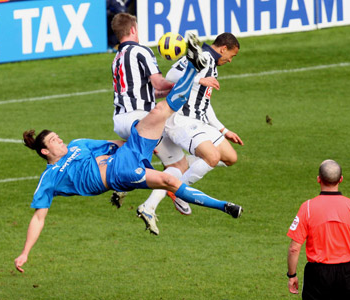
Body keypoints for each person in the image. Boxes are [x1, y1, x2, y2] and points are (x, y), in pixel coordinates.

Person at [14, 37, 243, 273]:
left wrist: (145, 140)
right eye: (54, 141)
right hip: (119, 173)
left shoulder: (77, 145)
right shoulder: (49, 178)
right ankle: (224, 206)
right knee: (170, 180)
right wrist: (25, 253)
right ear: (45, 151)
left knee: (160, 110)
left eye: (58, 136)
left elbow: (111, 142)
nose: (60, 140)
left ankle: (192, 70)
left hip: (128, 151)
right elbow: (38, 218)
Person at [137, 33, 244, 233]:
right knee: (211, 157)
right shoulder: (201, 56)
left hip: (199, 121)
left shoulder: (211, 64)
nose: (230, 60)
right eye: (231, 55)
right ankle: (178, 190)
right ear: (223, 48)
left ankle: (179, 170)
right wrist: (199, 79)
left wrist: (223, 129)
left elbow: (204, 102)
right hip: (181, 120)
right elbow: (171, 76)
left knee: (230, 157)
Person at [109, 12, 193, 222]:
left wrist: (169, 91)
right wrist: (185, 83)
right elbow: (159, 84)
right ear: (133, 30)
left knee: (142, 158)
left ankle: (123, 183)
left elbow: (149, 92)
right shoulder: (140, 51)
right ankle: (150, 205)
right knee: (179, 166)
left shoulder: (117, 58)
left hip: (121, 120)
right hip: (141, 120)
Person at [286, 159, 350, 300]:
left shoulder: (307, 208)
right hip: (347, 273)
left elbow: (294, 248)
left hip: (317, 274)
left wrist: (292, 275)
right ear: (341, 179)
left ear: (319, 179)